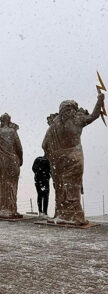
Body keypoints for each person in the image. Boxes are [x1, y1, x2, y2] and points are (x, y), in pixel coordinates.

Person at [42, 94, 103, 225]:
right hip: (74, 157)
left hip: (59, 161)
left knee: (61, 187)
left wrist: (53, 157)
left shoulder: (54, 126)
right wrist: (100, 100)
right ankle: (74, 216)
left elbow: (44, 145)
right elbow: (94, 116)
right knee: (72, 187)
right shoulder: (77, 119)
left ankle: (62, 214)